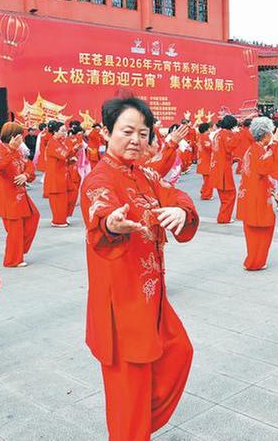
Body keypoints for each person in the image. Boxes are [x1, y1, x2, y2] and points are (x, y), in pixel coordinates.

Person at [80, 96, 199, 441]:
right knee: (128, 395)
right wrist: (111, 224)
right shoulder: (100, 178)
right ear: (107, 132)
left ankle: (138, 429)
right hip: (121, 306)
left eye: (143, 133)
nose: (135, 139)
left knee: (179, 352)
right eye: (127, 131)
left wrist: (181, 212)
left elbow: (175, 195)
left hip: (151, 299)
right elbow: (100, 209)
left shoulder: (146, 175)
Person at [236, 117, 278, 271]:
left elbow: (260, 174)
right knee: (263, 229)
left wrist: (272, 192)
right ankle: (256, 261)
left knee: (253, 231)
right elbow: (264, 169)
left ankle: (253, 260)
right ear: (266, 134)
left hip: (252, 194)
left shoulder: (253, 149)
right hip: (257, 196)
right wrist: (275, 145)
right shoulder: (259, 150)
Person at [0, 122, 40, 268]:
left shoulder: (17, 151)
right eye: (20, 137)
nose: (22, 140)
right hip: (8, 195)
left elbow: (29, 165)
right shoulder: (0, 150)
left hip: (20, 194)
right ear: (12, 137)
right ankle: (13, 259)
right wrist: (12, 149)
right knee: (15, 229)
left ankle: (19, 249)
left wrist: (26, 175)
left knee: (33, 217)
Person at [209, 115, 239, 224]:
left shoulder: (218, 134)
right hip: (223, 168)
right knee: (230, 194)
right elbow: (230, 146)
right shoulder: (226, 134)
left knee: (224, 196)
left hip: (217, 167)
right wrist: (237, 135)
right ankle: (224, 218)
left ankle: (223, 216)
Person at [43, 121, 73, 227]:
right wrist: (73, 147)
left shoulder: (59, 142)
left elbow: (66, 156)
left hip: (61, 174)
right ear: (55, 132)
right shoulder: (53, 143)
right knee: (58, 200)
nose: (65, 133)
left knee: (64, 198)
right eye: (62, 131)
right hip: (55, 176)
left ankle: (62, 218)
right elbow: (64, 154)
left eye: (65, 131)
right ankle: (58, 220)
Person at [195, 122, 213, 200]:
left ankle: (204, 190)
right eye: (209, 128)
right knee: (209, 180)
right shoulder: (205, 137)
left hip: (203, 161)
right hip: (206, 161)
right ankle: (206, 195)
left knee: (207, 179)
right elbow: (210, 147)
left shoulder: (201, 136)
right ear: (207, 129)